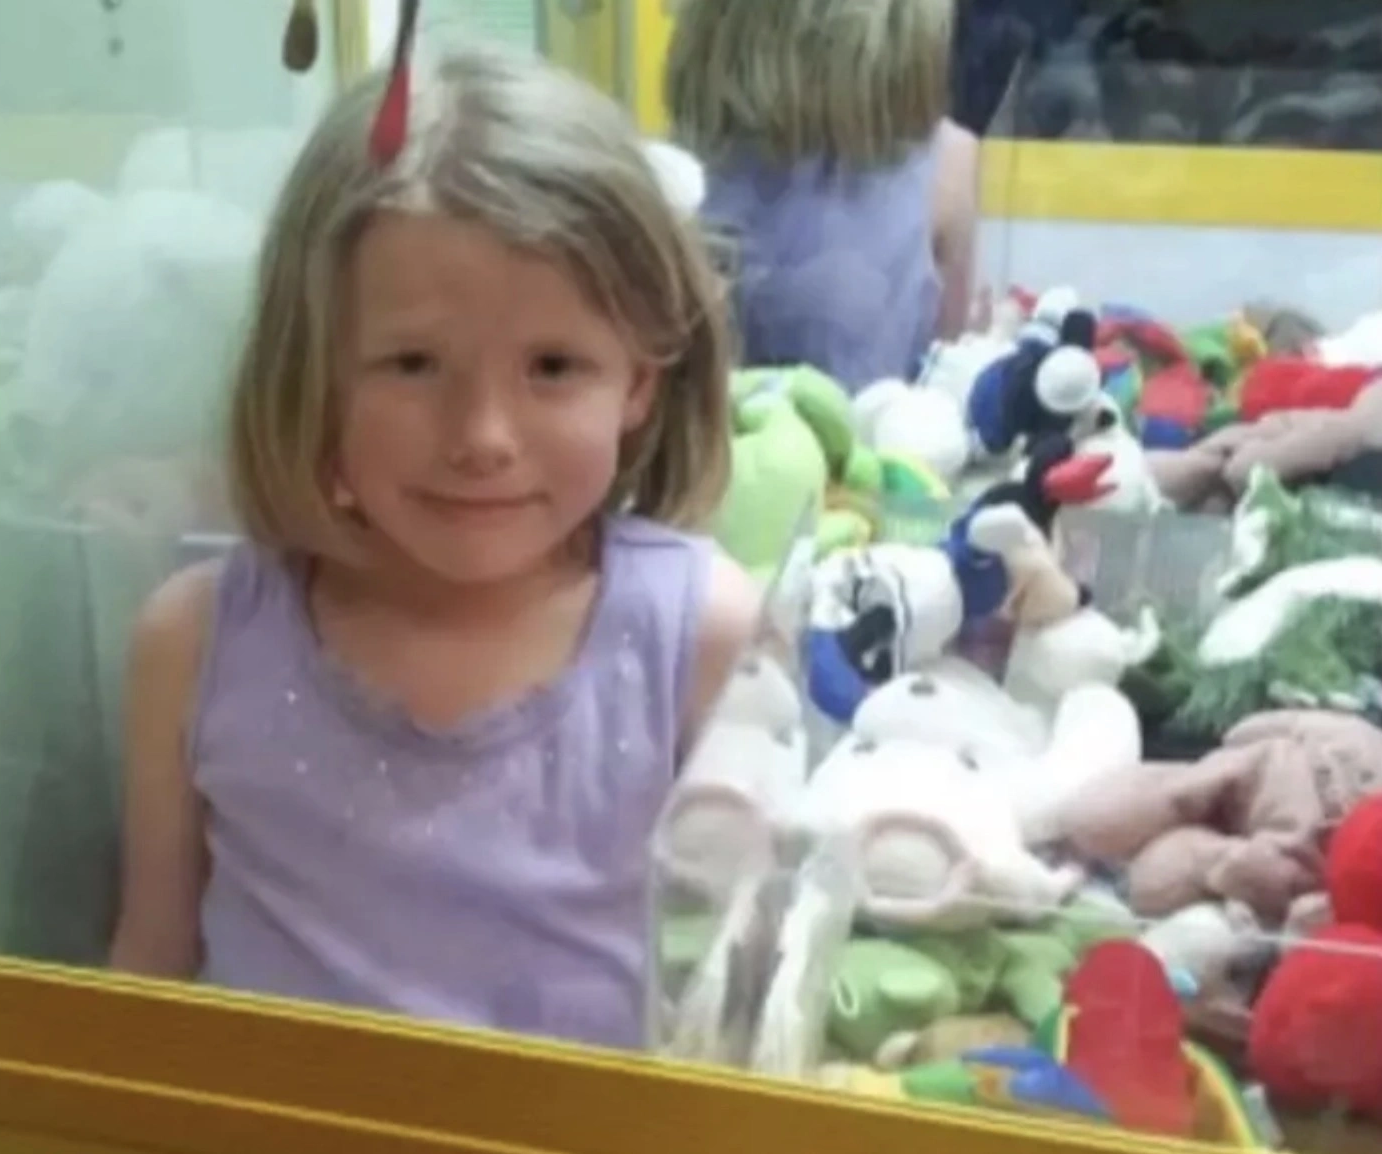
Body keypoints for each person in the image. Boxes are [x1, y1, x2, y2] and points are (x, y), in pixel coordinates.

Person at [107, 43, 762, 1051]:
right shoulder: (190, 645)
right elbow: (146, 978)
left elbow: (747, 1008)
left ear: (639, 378)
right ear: (312, 370)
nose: (482, 436)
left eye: (553, 365)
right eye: (412, 363)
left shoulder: (702, 638)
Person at [665, 0, 981, 391]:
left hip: (722, 442)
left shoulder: (678, 173)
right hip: (873, 438)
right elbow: (943, 384)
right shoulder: (946, 161)